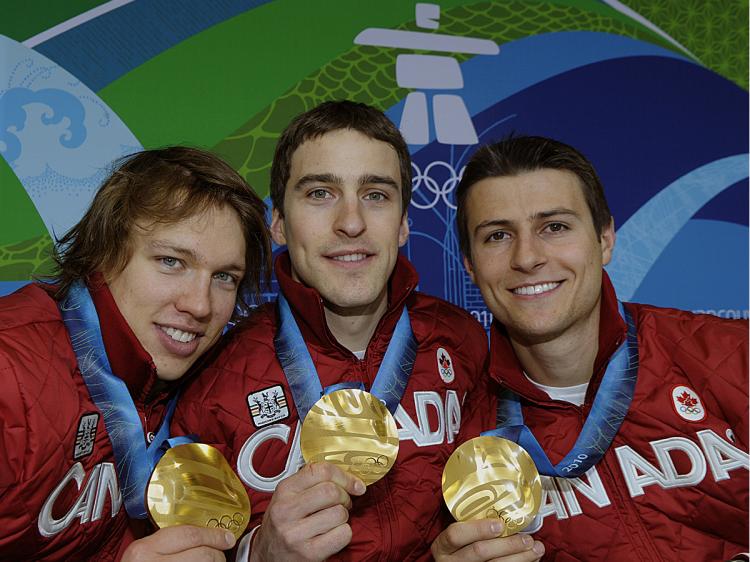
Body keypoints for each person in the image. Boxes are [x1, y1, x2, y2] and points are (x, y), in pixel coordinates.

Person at [173, 100, 491, 561]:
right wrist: (258, 556)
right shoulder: (211, 374)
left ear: (403, 222)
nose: (351, 222)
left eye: (376, 195)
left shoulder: (463, 340)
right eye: (320, 193)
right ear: (278, 223)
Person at [431, 135, 749, 561]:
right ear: (470, 265)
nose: (527, 257)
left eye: (555, 227)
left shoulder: (731, 355)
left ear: (605, 239)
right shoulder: (463, 441)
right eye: (497, 236)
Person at [0, 147, 271, 561]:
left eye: (223, 277)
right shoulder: (10, 373)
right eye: (171, 261)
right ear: (104, 253)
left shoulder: (206, 376)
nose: (200, 305)